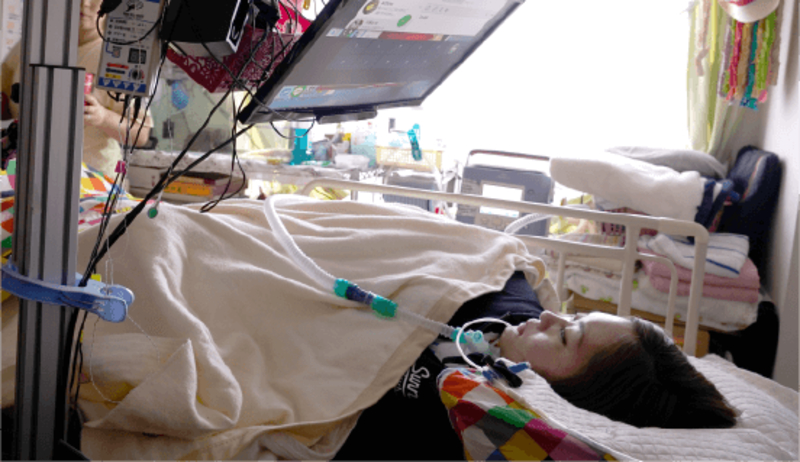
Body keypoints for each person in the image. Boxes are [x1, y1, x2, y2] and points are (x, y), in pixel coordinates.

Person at [335, 271, 737, 460]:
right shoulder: (509, 299)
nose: (549, 316)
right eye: (573, 317)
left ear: (566, 397)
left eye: (565, 337)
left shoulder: (455, 422)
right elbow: (494, 257)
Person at [0, 0, 153, 180]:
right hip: (29, 173)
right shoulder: (32, 43)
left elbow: (141, 134)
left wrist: (103, 117)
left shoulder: (118, 56)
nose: (84, 3)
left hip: (91, 181)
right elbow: (5, 103)